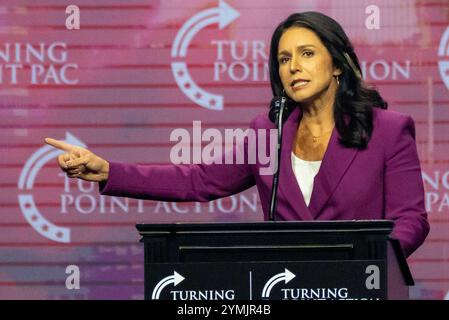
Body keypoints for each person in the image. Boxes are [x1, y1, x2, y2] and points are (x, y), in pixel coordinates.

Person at [45, 12, 429, 258]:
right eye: (283, 59)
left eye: (307, 54)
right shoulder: (269, 132)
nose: (294, 66)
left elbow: (411, 219)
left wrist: (375, 257)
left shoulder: (389, 131)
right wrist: (108, 171)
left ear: (337, 66)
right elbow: (198, 181)